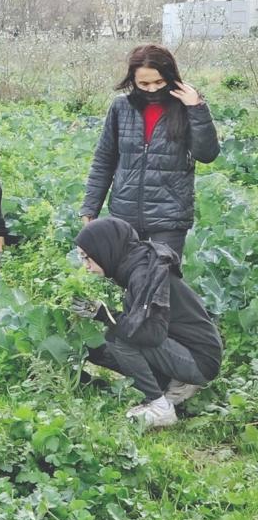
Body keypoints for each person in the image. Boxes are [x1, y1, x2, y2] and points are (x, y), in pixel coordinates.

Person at [74, 217, 222, 429]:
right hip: (187, 349)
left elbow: (147, 335)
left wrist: (106, 315)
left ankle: (160, 408)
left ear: (104, 249)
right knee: (108, 346)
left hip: (200, 360)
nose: (85, 266)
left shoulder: (143, 274)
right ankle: (174, 384)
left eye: (87, 258)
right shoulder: (136, 265)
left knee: (118, 338)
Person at [81, 44, 220, 257]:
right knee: (127, 280)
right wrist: (91, 207)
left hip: (169, 216)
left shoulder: (185, 107)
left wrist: (196, 108)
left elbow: (207, 154)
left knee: (162, 280)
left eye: (159, 82)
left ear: (170, 77)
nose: (152, 89)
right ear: (133, 80)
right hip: (124, 214)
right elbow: (104, 160)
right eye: (144, 83)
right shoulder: (121, 107)